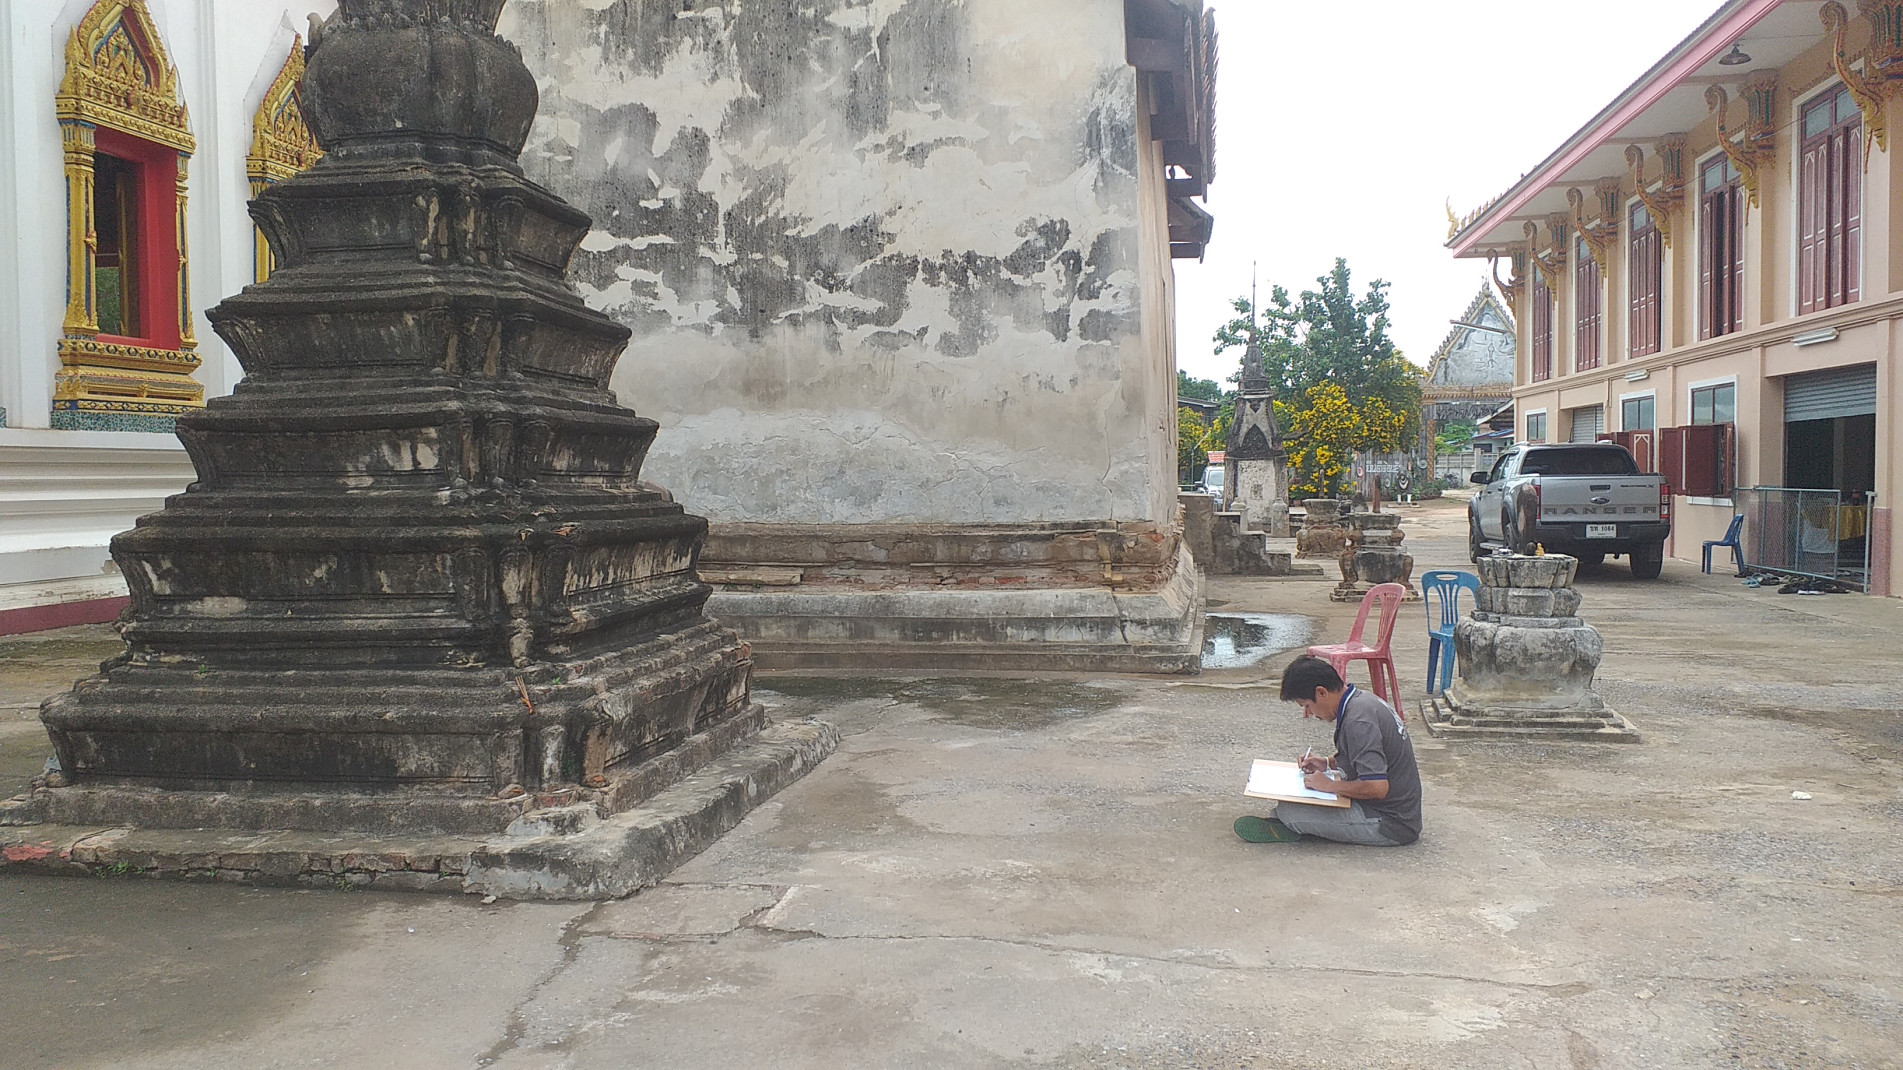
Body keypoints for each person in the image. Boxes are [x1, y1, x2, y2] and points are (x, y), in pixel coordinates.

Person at [1235, 655, 1422, 846]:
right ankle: (1295, 822)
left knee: (1289, 812)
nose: (1311, 713)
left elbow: (1377, 787)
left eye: (1308, 706)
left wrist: (1329, 786)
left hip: (1390, 823)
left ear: (1321, 692)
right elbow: (1366, 756)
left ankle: (1290, 824)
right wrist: (1327, 763)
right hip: (1392, 811)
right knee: (1291, 804)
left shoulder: (1358, 722)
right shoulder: (1361, 701)